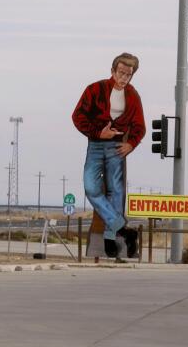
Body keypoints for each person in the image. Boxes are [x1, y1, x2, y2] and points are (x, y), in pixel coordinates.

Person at [71, 52, 145, 258]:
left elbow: (140, 126)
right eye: (120, 72)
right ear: (113, 71)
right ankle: (124, 229)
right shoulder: (94, 89)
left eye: (128, 75)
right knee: (91, 188)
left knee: (116, 191)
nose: (123, 78)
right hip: (95, 144)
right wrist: (97, 133)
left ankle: (111, 238)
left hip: (116, 147)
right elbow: (78, 116)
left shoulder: (133, 96)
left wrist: (131, 144)